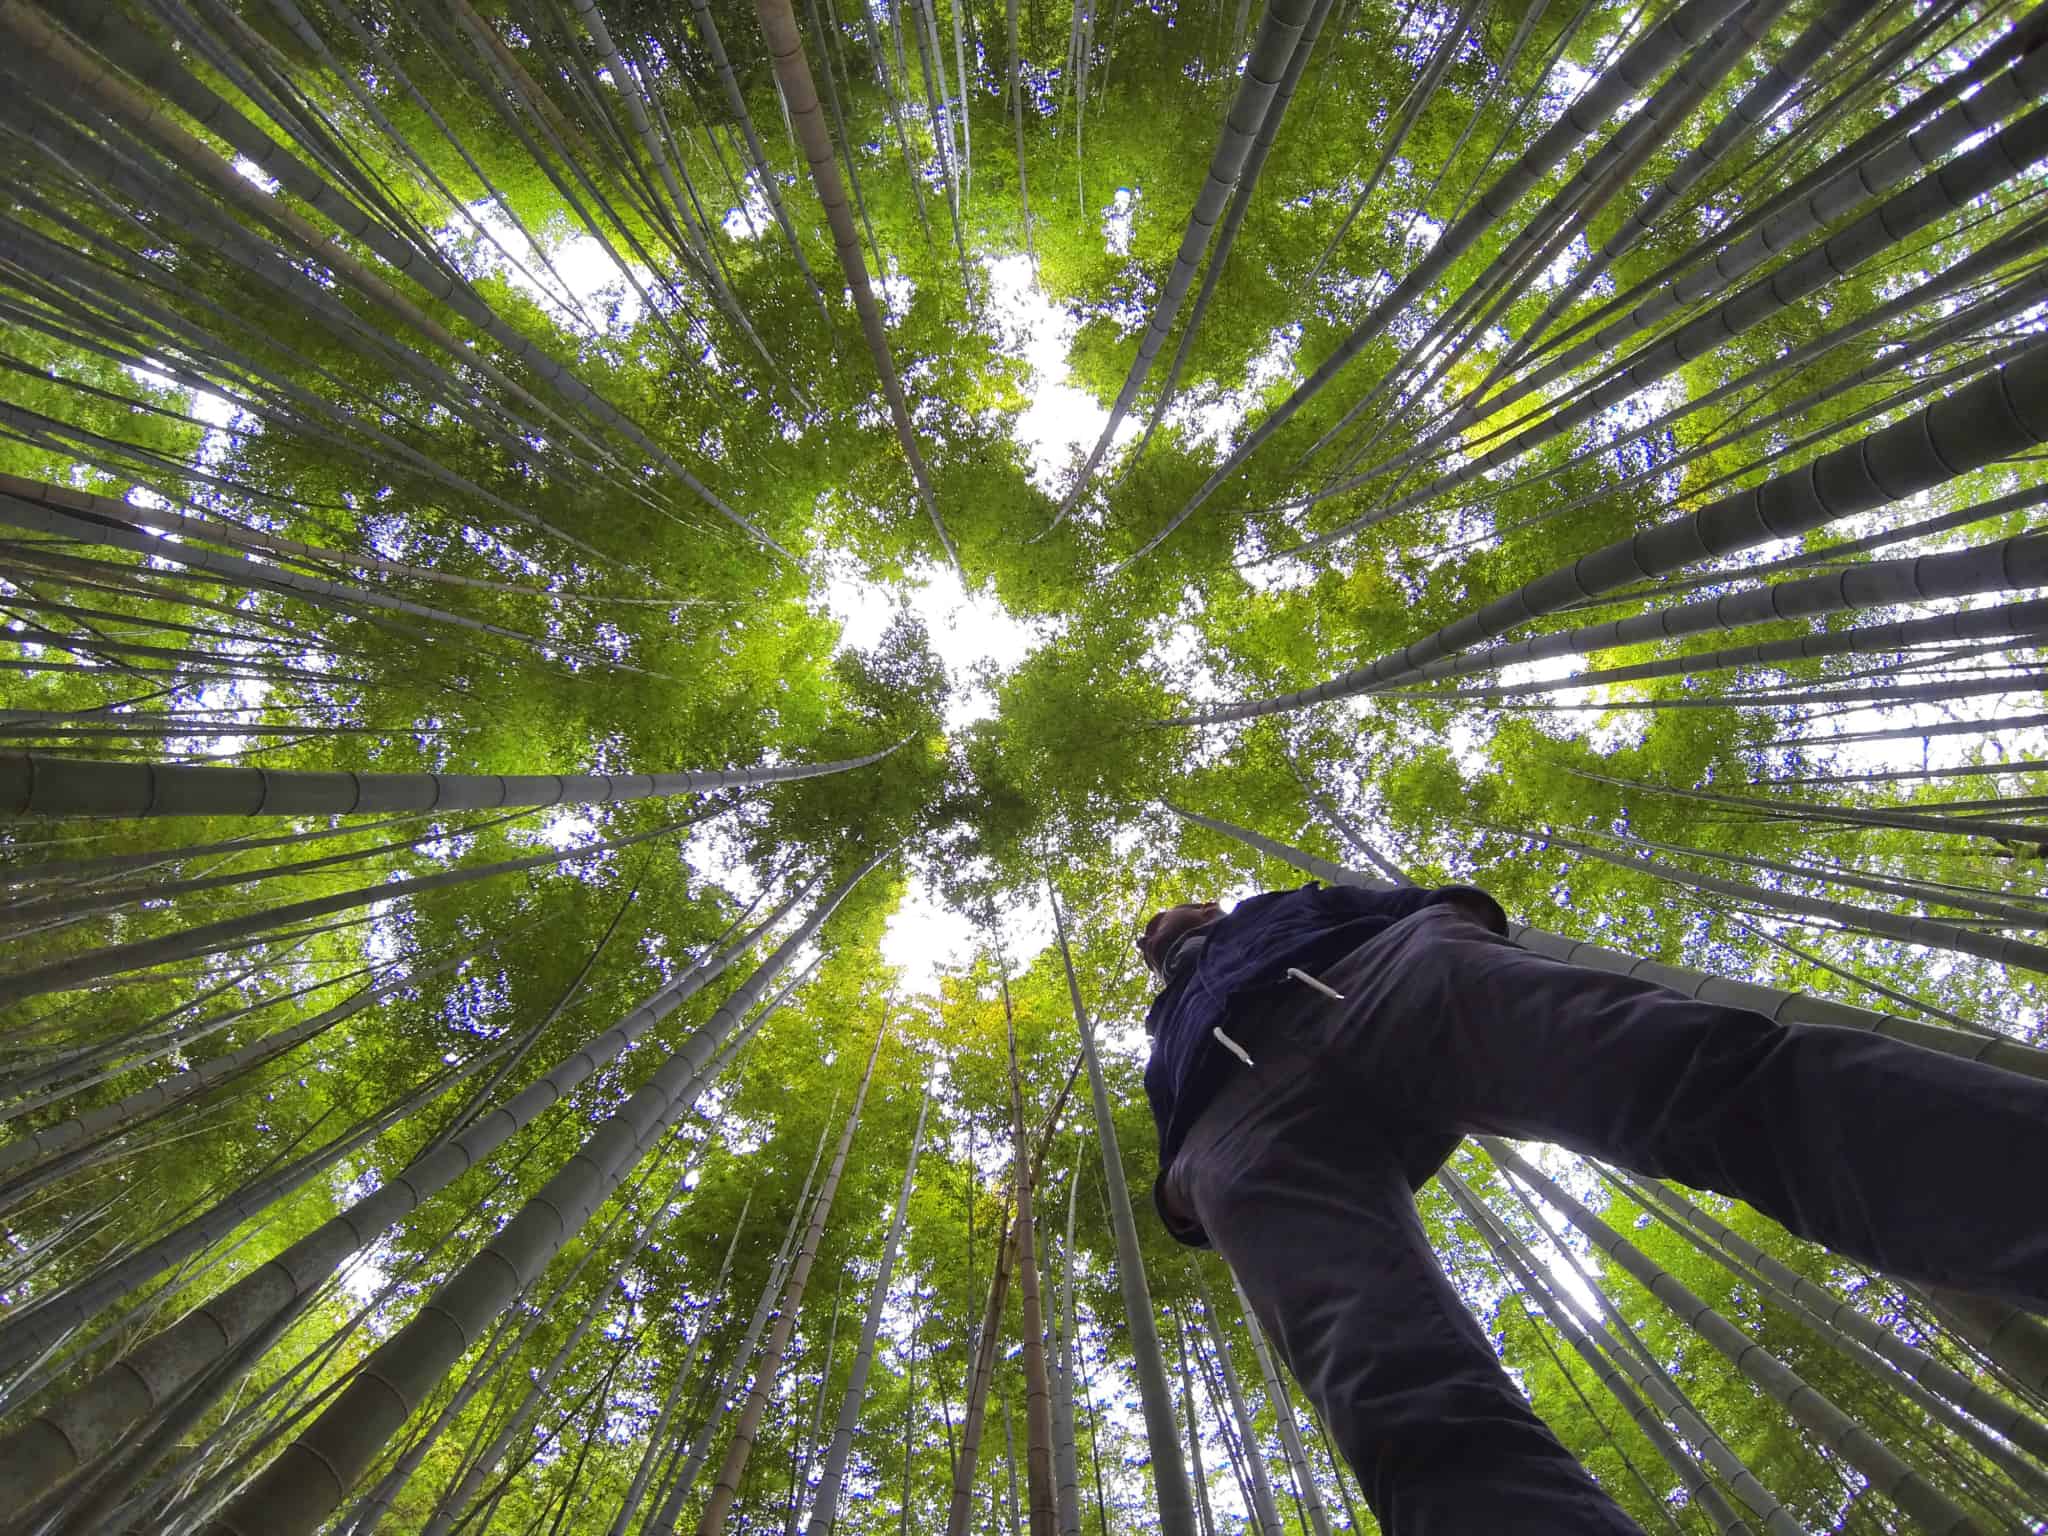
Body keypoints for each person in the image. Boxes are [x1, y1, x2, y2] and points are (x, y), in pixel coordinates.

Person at [1139, 880, 2048, 1536]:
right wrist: (1188, 1176)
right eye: (1148, 936)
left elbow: (1399, 897)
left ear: (1210, 909)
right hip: (1241, 1124)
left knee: (1712, 1080)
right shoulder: (1162, 1030)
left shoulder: (1286, 904)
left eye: (1166, 917)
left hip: (1387, 978)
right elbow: (1165, 1116)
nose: (1157, 933)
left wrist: (1446, 926)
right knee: (1386, 1386)